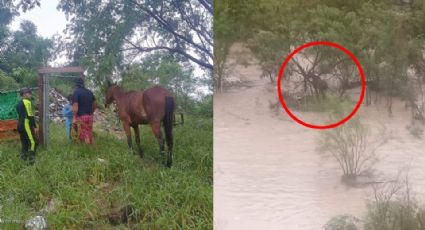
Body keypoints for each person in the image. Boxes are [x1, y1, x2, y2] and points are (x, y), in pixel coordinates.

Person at [16, 87, 37, 165]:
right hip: (25, 124)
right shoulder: (27, 102)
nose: (30, 95)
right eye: (29, 93)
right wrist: (34, 127)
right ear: (24, 94)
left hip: (19, 124)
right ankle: (31, 161)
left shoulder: (18, 103)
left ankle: (23, 159)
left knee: (24, 142)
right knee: (32, 143)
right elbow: (30, 115)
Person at [72, 77, 96, 144]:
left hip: (81, 116)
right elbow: (95, 104)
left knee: (84, 134)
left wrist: (74, 117)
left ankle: (87, 151)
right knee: (89, 132)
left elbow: (75, 105)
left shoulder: (76, 92)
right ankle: (93, 149)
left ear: (76, 85)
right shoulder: (90, 92)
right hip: (90, 116)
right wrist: (92, 112)